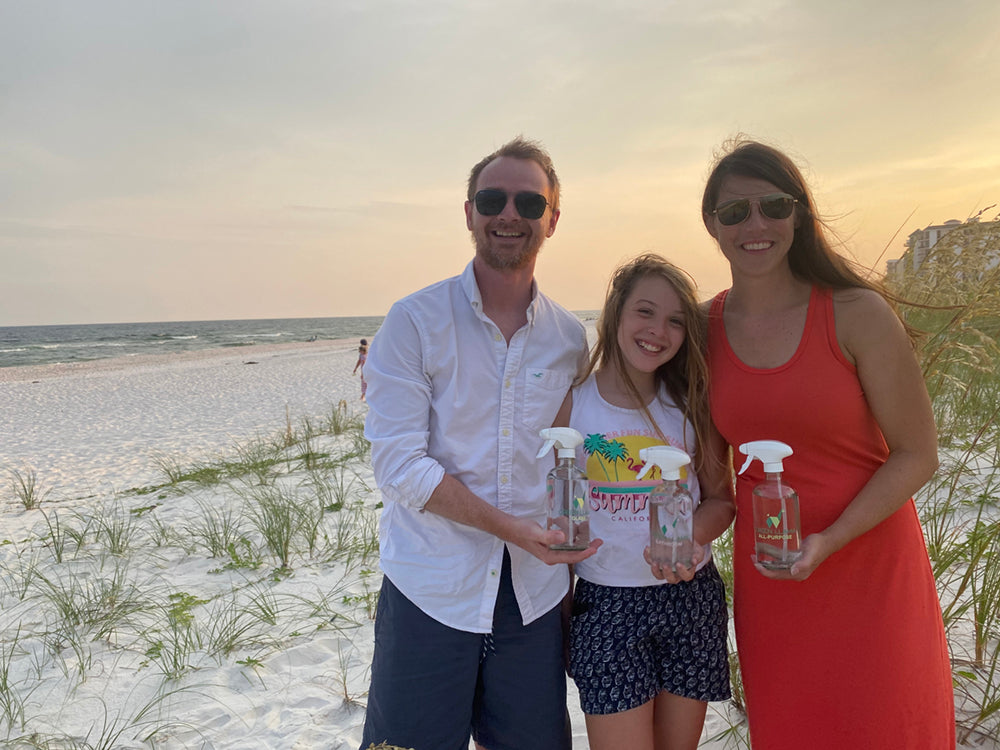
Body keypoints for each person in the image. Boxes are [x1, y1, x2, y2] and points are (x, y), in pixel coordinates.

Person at [701, 138, 955, 748]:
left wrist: (831, 539)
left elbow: (918, 454)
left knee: (890, 727)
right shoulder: (702, 328)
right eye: (735, 212)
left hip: (871, 572)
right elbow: (715, 484)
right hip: (773, 585)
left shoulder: (856, 312)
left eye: (774, 206)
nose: (755, 225)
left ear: (800, 214)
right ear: (712, 224)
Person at [358, 136, 601, 750]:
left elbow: (573, 462)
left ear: (552, 218)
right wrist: (512, 529)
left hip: (535, 597)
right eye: (492, 198)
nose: (509, 214)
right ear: (469, 211)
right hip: (430, 587)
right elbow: (399, 467)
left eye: (529, 201)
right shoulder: (413, 321)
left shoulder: (570, 339)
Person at [552, 254, 735, 750]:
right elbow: (559, 509)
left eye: (676, 320)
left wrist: (691, 536)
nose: (659, 330)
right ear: (615, 313)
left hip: (690, 598)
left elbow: (721, 500)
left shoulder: (691, 403)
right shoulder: (575, 402)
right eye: (645, 311)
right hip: (605, 603)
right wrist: (565, 610)